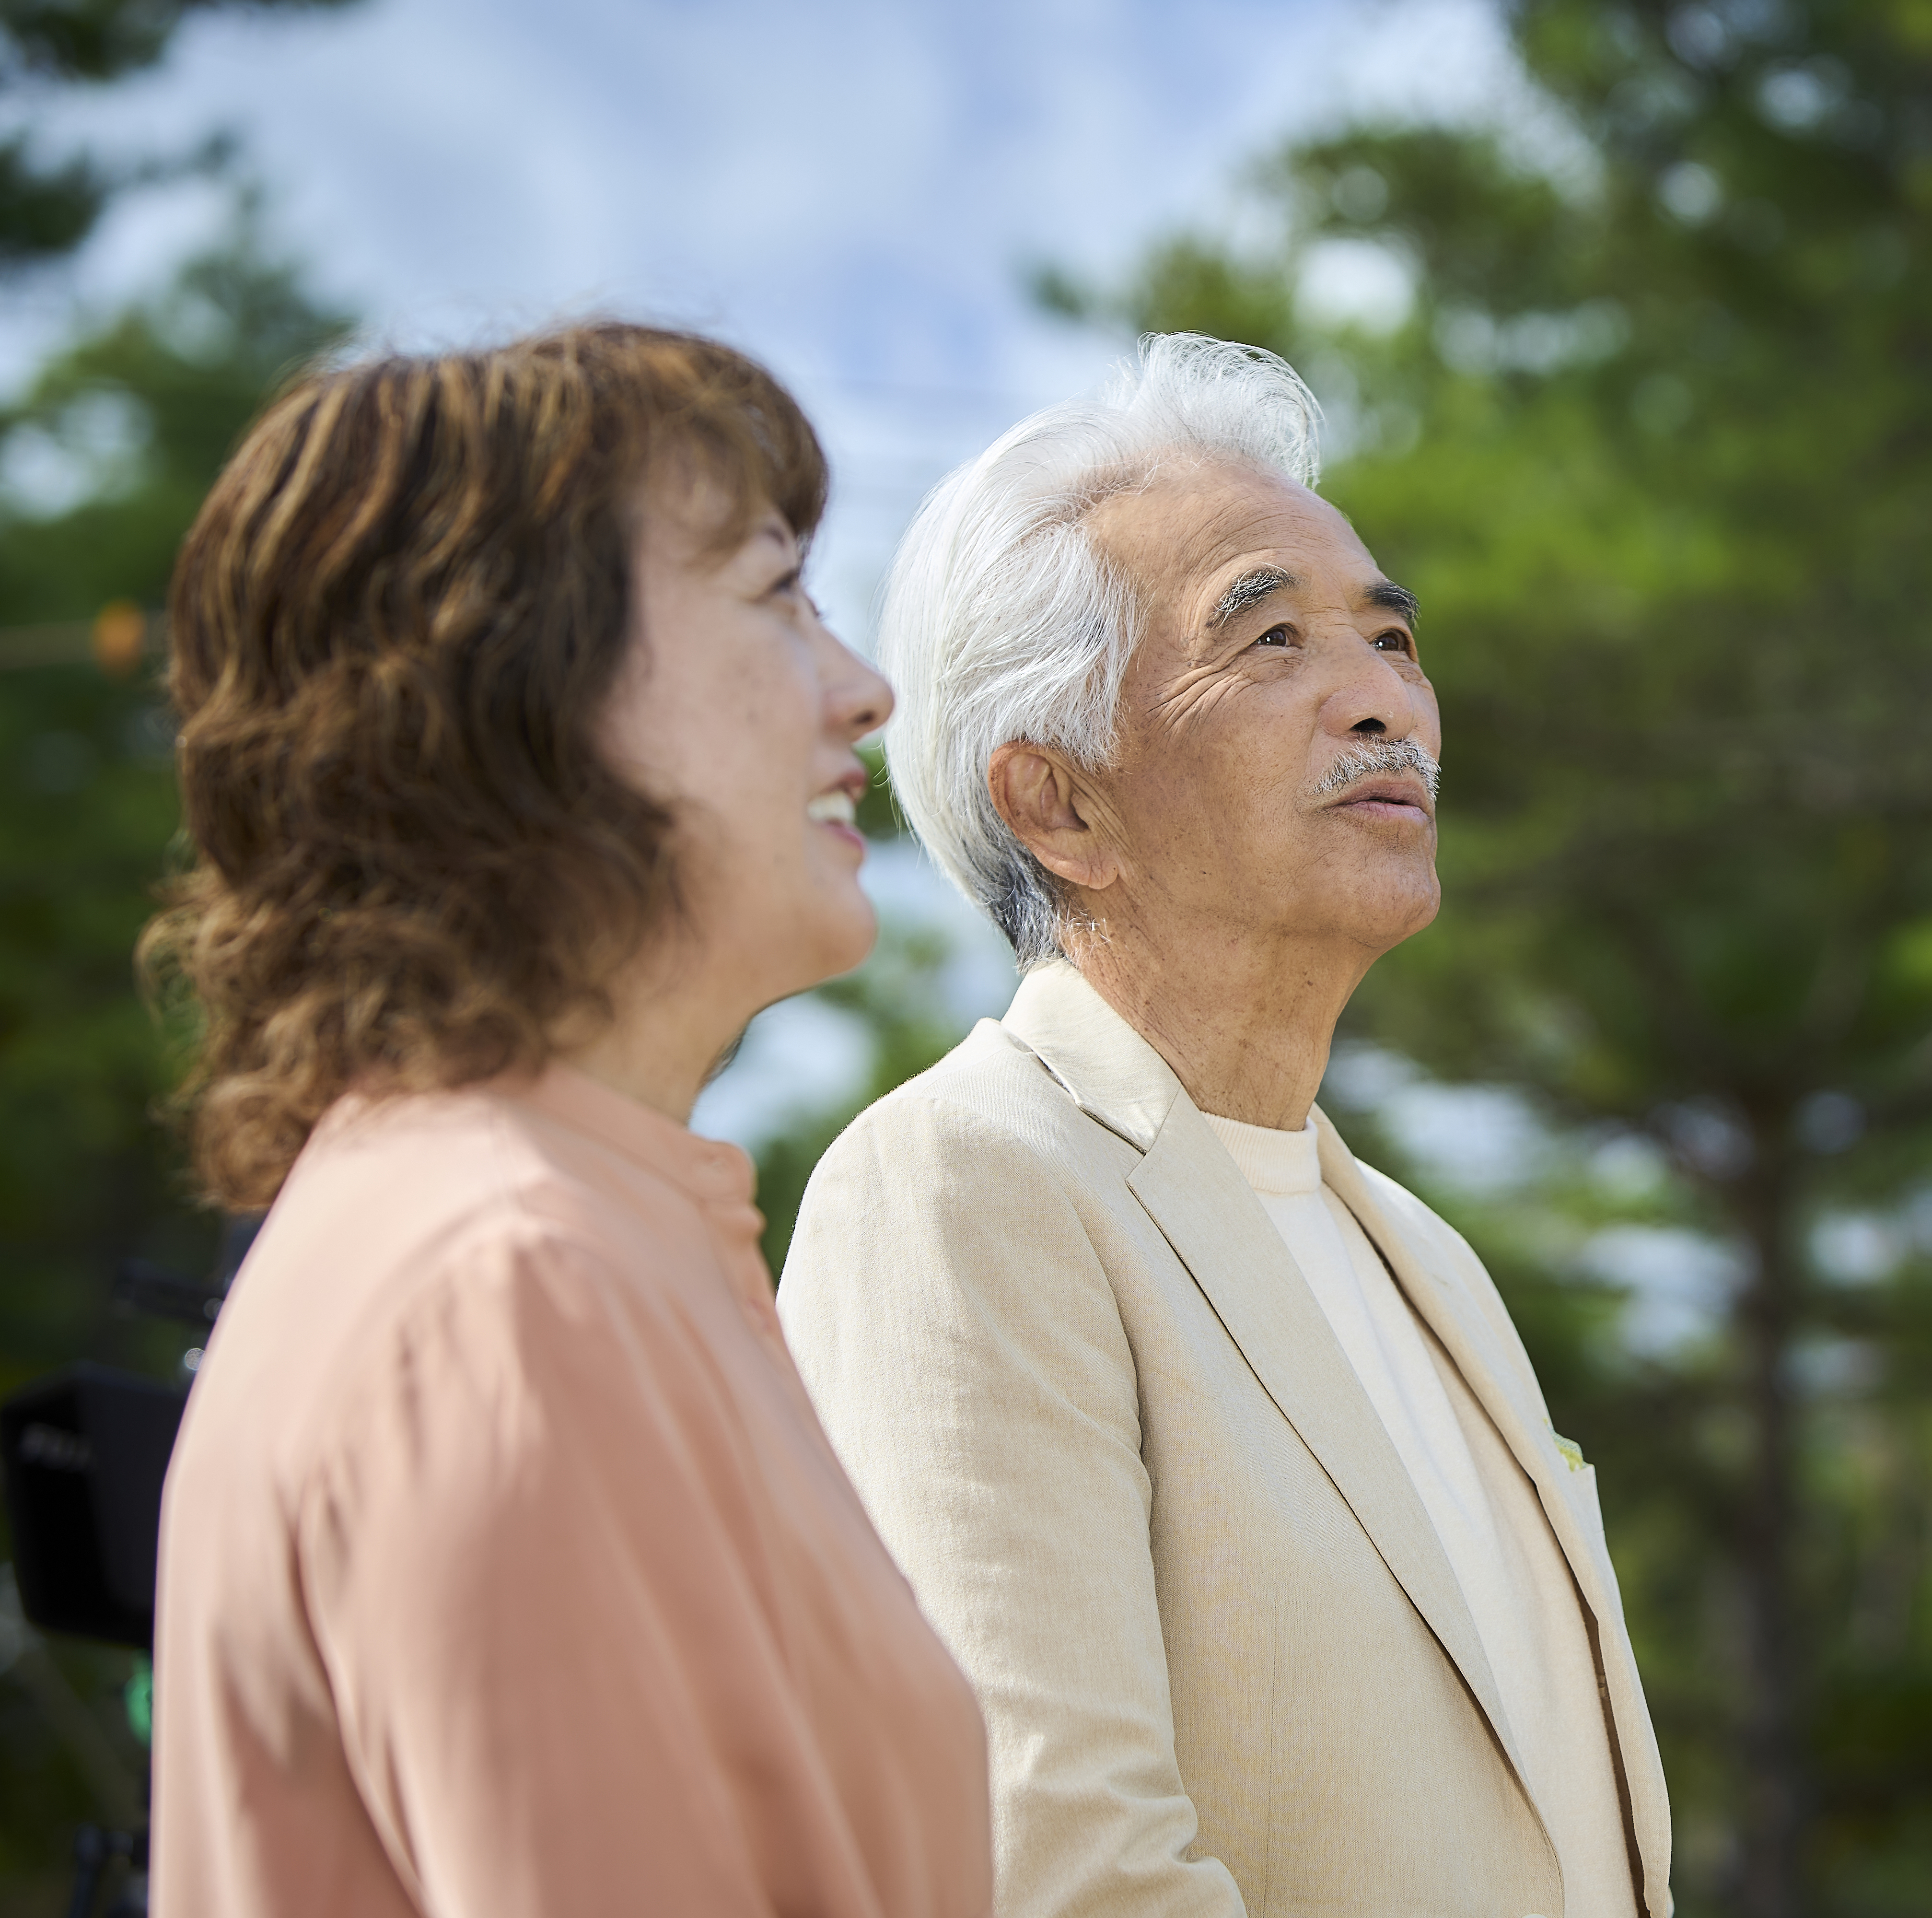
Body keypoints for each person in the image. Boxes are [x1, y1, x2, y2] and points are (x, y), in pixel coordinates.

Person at [778, 335, 1672, 1917]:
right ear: (1059, 806)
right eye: (1269, 641)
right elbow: (1044, 1868)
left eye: (1394, 639)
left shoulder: (1428, 1262)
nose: (1386, 701)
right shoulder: (963, 1186)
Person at [146, 324, 992, 1917]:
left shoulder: (555, 1242)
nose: (867, 692)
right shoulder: (512, 1288)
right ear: (513, 687)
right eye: (775, 597)